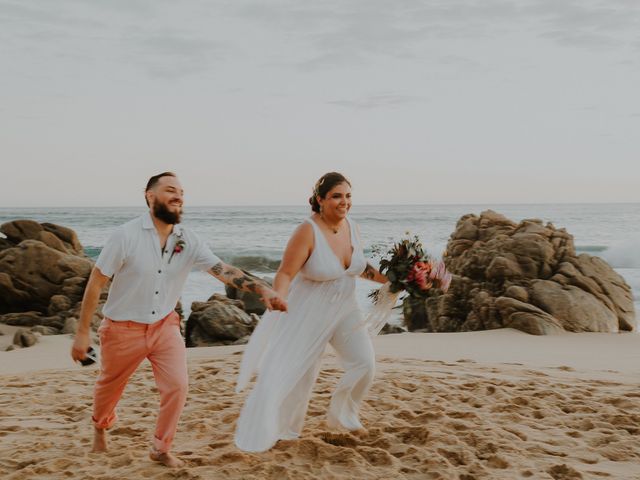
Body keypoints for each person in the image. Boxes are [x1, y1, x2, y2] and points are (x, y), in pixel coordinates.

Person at [70, 172, 287, 467]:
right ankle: (100, 426)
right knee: (109, 388)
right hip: (122, 329)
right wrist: (83, 333)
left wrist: (261, 288)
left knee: (178, 386)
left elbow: (221, 270)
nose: (178, 196)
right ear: (150, 196)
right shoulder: (126, 235)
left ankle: (160, 448)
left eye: (182, 192)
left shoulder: (188, 240)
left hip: (165, 326)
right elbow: (96, 282)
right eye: (170, 190)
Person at [234, 171, 387, 452]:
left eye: (348, 196)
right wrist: (278, 295)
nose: (344, 202)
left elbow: (359, 267)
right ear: (320, 200)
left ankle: (345, 417)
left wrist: (393, 279)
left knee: (364, 363)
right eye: (337, 196)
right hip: (307, 311)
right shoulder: (307, 230)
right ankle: (283, 432)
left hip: (345, 308)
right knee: (299, 374)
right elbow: (285, 272)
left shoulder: (352, 226)